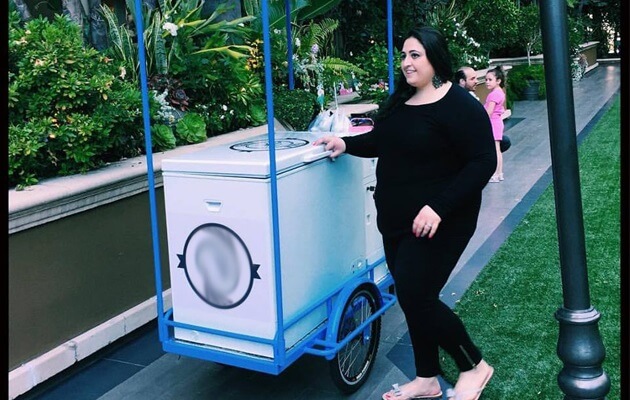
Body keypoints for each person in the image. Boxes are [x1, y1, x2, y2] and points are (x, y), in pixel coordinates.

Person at [314, 26, 496, 400]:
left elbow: (483, 162)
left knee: (417, 297)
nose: (407, 63)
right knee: (413, 298)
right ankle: (427, 378)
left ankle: (474, 366)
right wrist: (344, 143)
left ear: (435, 57)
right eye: (404, 56)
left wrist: (439, 207)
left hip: (441, 222)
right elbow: (381, 141)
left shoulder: (460, 105)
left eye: (415, 55)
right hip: (396, 222)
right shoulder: (401, 102)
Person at [484, 66, 507, 183]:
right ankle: (499, 173)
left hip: (493, 123)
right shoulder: (500, 92)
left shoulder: (493, 95)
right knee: (497, 149)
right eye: (486, 79)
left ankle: (495, 174)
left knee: (495, 150)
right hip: (497, 122)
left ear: (498, 81)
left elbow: (489, 112)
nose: (487, 82)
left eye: (490, 80)